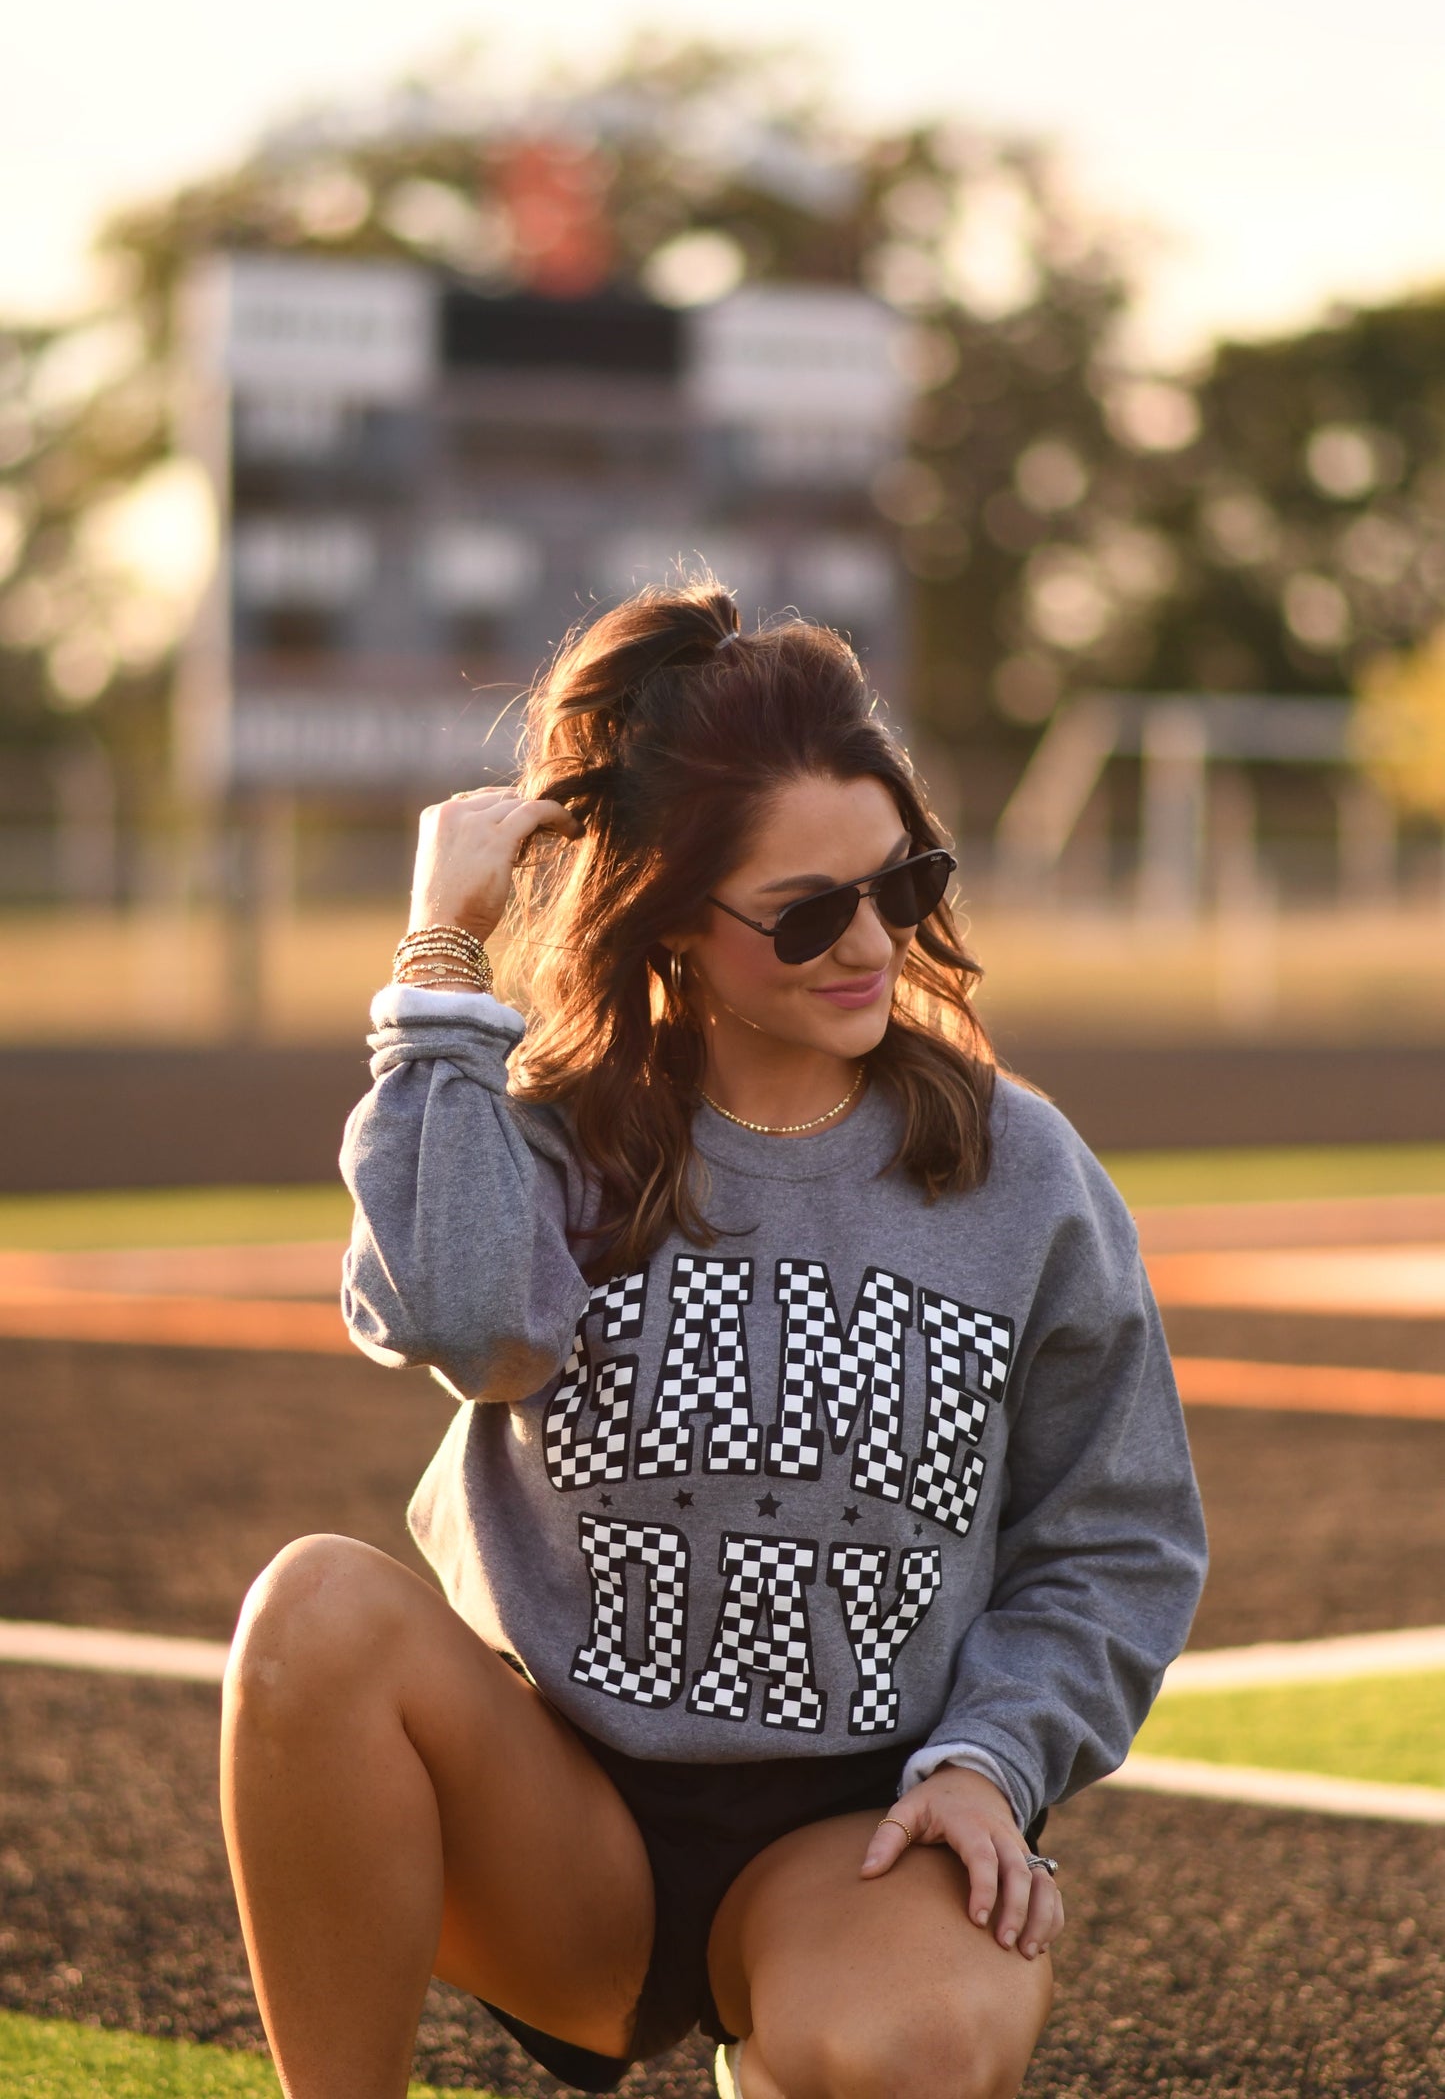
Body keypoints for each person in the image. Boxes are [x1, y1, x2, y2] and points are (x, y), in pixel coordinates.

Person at [220, 578, 1208, 2099]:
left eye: (903, 880)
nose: (870, 939)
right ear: (670, 915)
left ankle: (802, 2021)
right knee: (312, 1614)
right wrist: (438, 958)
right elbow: (465, 1324)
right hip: (563, 1819)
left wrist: (992, 1758)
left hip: (865, 1830)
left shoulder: (1021, 1172)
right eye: (806, 911)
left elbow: (1117, 1533)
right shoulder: (543, 1129)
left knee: (908, 2048)